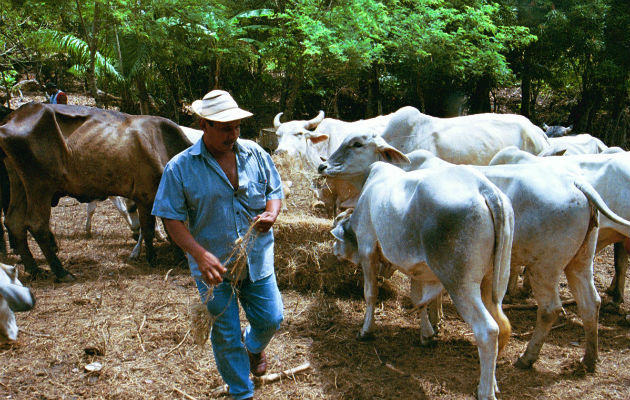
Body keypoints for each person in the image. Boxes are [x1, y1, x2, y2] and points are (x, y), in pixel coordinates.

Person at [152, 90, 284, 400]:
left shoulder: (255, 154)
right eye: (225, 128)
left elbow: (274, 191)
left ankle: (253, 347)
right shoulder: (180, 168)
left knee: (272, 318)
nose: (233, 134)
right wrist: (199, 254)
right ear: (203, 124)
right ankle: (241, 392)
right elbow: (171, 219)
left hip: (256, 255)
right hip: (213, 266)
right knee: (225, 333)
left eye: (237, 126)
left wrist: (272, 212)